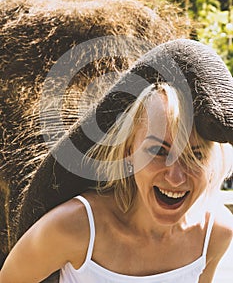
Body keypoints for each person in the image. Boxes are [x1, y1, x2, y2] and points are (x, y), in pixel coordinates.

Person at [0, 74, 232, 282]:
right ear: (129, 152)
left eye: (195, 155)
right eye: (158, 151)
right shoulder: (74, 226)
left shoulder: (215, 233)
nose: (175, 177)